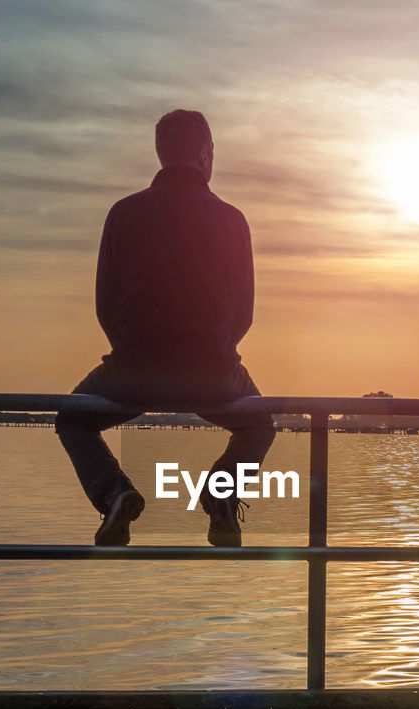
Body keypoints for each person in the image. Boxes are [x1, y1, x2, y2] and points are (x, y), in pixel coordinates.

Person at [56, 110, 276, 547]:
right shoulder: (232, 220)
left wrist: (134, 352)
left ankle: (115, 493)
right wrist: (214, 352)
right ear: (206, 155)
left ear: (160, 154)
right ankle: (220, 496)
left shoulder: (123, 213)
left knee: (72, 418)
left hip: (133, 368)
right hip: (213, 371)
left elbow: (105, 302)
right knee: (260, 425)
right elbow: (245, 311)